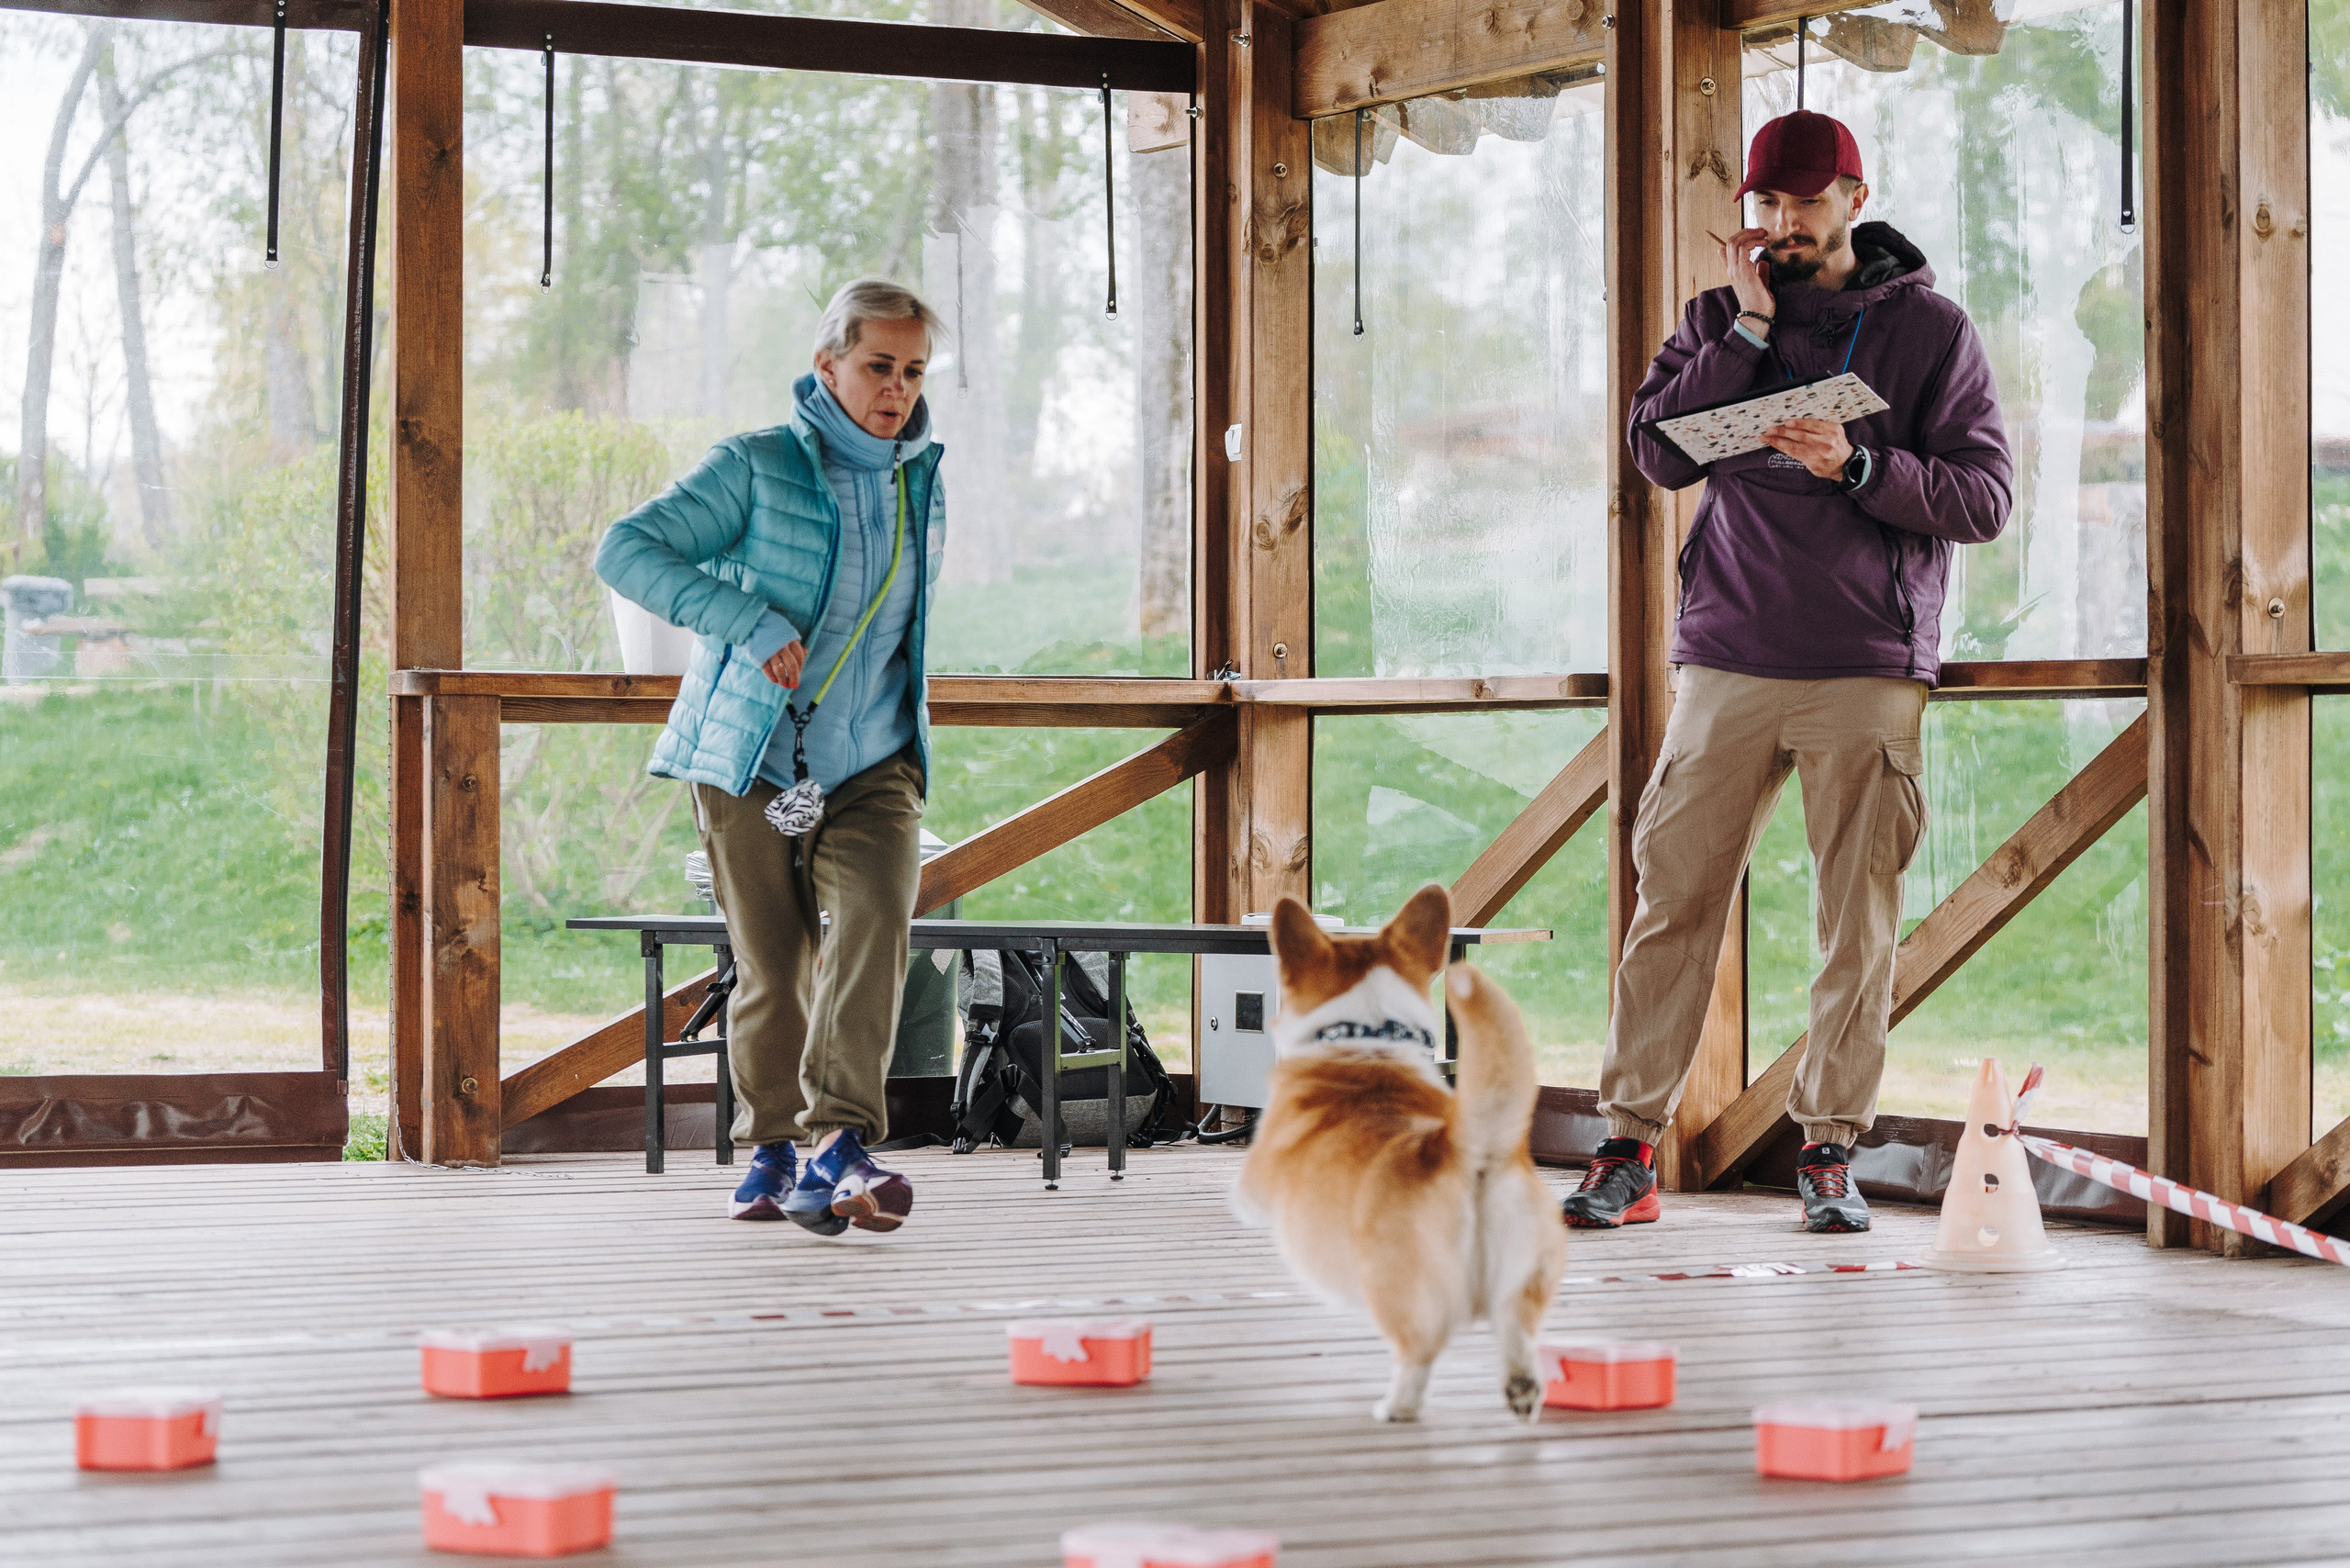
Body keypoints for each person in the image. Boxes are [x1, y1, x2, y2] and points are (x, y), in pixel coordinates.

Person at [1563, 110, 2014, 1235]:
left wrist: (1862, 464)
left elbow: (1984, 499)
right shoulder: (1718, 317)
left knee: (1852, 924)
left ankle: (1827, 1153)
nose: (1782, 223)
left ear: (1855, 197)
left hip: (1865, 665)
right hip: (1724, 657)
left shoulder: (1933, 332)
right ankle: (1627, 1149)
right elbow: (1657, 453)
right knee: (1670, 904)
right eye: (1765, 204)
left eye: (1805, 202)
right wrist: (1752, 332)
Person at [596, 277, 948, 1238]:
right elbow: (626, 550)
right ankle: (771, 1147)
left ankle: (839, 1137)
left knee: (877, 916)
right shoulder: (753, 467)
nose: (898, 388)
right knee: (774, 961)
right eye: (878, 365)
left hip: (875, 760)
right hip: (751, 755)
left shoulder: (921, 477)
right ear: (826, 363)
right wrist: (743, 619)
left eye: (913, 369)